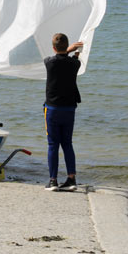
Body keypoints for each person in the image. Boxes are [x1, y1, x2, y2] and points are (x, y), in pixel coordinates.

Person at [43, 33, 83, 191]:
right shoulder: (75, 64)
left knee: (53, 144)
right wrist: (73, 51)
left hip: (52, 109)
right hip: (69, 108)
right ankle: (71, 179)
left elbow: (59, 57)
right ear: (66, 47)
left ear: (53, 48)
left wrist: (67, 50)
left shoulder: (49, 62)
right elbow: (73, 59)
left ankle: (53, 180)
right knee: (67, 143)